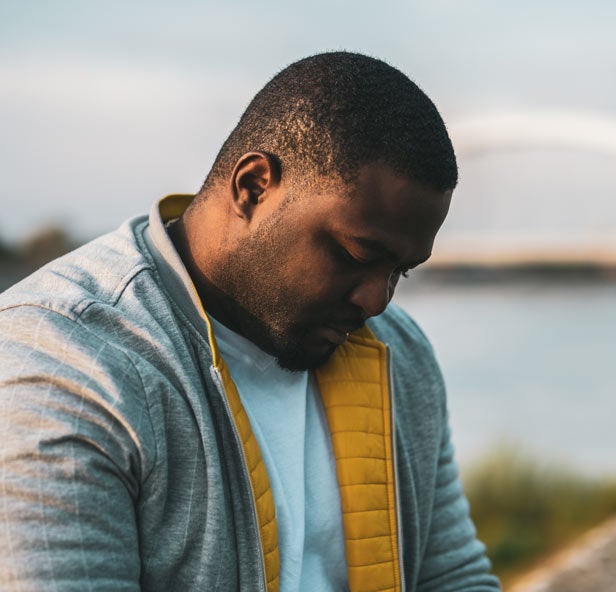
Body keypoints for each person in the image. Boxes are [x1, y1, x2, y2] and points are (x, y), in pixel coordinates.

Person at [0, 52, 500, 591]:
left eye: (401, 271)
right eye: (357, 256)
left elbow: (450, 575)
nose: (376, 302)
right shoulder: (62, 367)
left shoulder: (398, 352)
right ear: (254, 187)